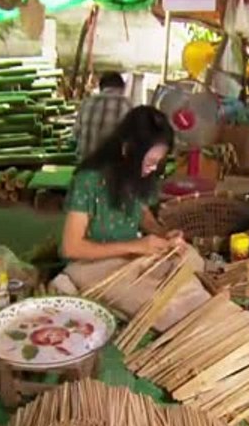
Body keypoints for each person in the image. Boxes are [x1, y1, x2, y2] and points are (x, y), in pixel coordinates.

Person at [53, 106, 209, 331]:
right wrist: (136, 246)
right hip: (91, 264)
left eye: (158, 161)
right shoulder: (88, 181)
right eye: (150, 161)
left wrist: (163, 234)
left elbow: (142, 212)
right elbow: (71, 247)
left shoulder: (137, 173)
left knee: (190, 259)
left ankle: (198, 307)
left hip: (130, 254)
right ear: (127, 150)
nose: (153, 168)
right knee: (161, 303)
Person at [73, 71, 132, 161]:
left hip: (85, 164)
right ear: (122, 88)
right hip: (111, 166)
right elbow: (131, 142)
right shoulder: (126, 105)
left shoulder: (86, 103)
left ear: (101, 87)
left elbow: (76, 133)